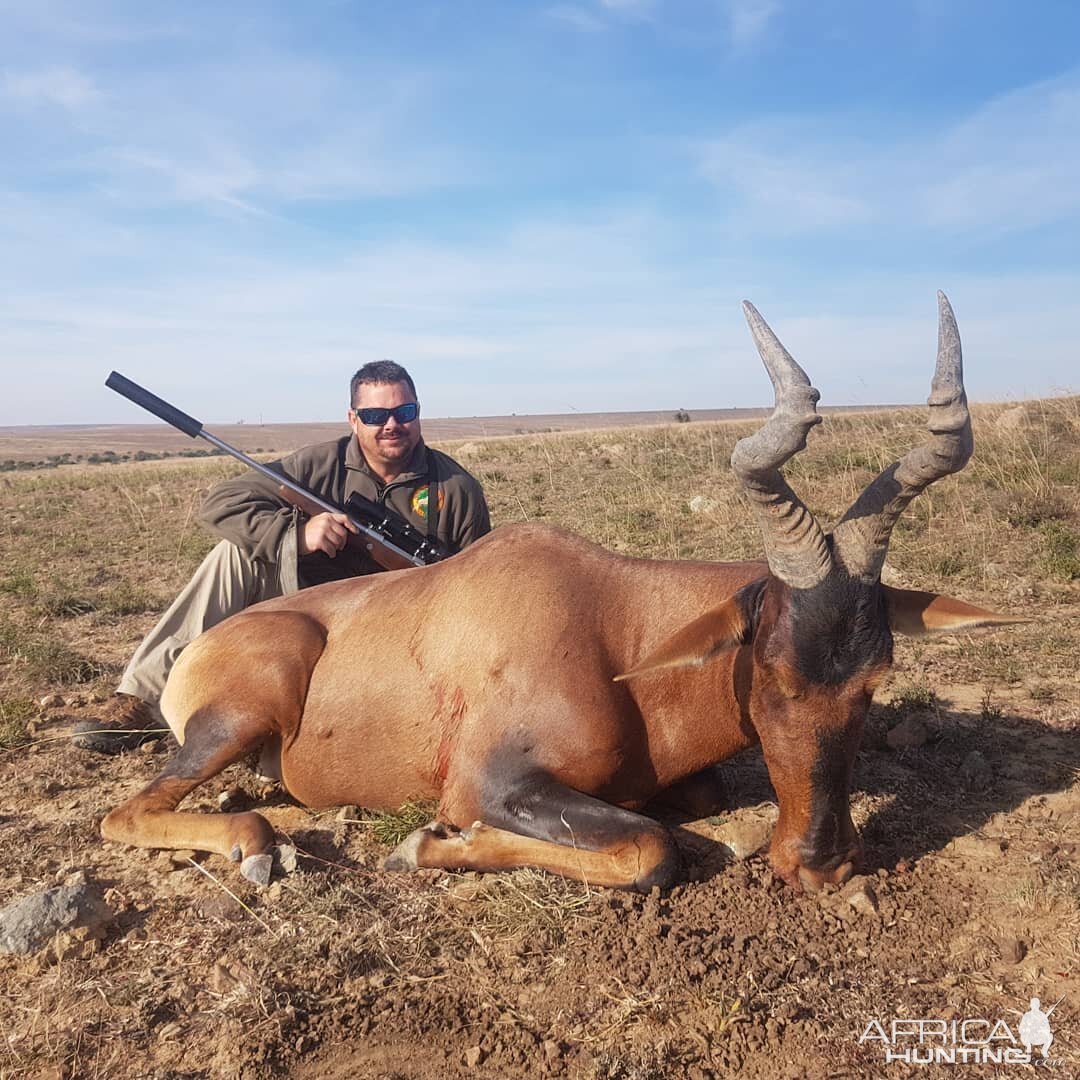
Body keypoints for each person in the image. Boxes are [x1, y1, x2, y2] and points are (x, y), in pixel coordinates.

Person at [73, 360, 491, 753]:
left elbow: (478, 587)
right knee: (233, 555)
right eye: (375, 416)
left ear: (418, 412)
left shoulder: (456, 488)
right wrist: (295, 536)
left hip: (404, 629)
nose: (392, 425)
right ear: (353, 420)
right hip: (313, 602)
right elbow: (224, 501)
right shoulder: (318, 464)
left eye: (405, 411)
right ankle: (142, 701)